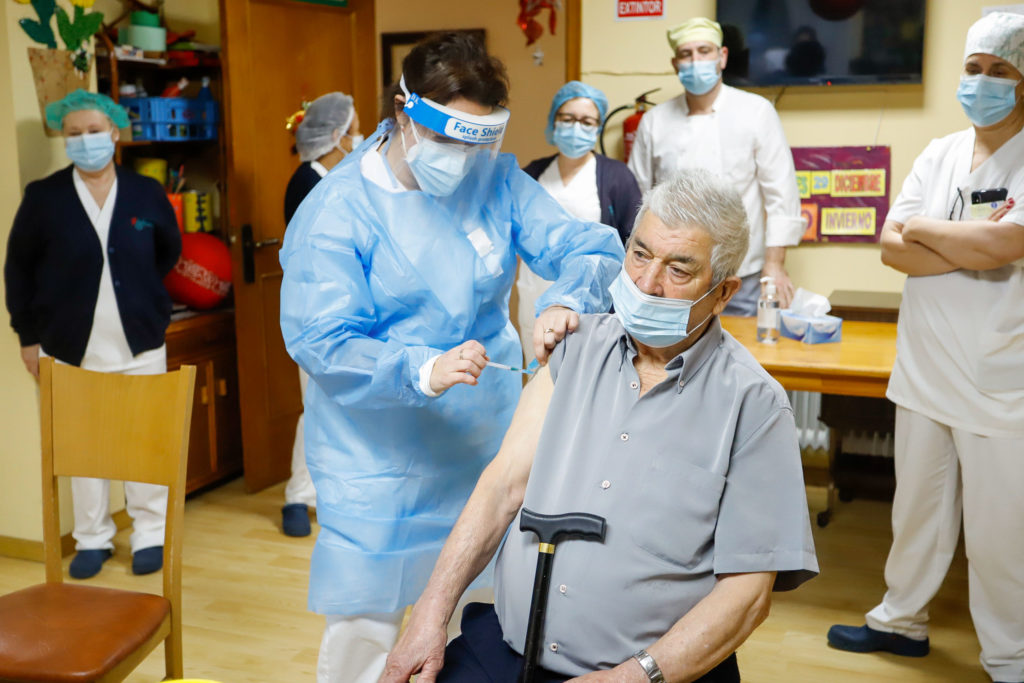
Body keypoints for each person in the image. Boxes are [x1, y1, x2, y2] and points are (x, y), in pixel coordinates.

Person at [278, 33, 624, 683]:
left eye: (477, 141)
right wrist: (418, 369)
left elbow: (590, 247)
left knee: (476, 630)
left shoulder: (494, 180)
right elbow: (321, 339)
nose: (462, 159)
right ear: (404, 112)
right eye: (449, 138)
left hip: (481, 447)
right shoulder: (337, 211)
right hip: (377, 463)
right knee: (367, 640)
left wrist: (567, 299)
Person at [381, 170, 818, 683]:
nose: (646, 283)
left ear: (722, 293)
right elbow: (501, 489)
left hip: (651, 675)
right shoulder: (573, 349)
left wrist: (632, 677)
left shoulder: (753, 404)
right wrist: (429, 614)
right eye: (639, 254)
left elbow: (747, 595)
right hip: (509, 649)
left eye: (678, 269)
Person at [827, 14, 1024, 683]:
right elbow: (891, 248)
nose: (982, 82)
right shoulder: (939, 152)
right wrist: (968, 244)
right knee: (916, 511)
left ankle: (1010, 658)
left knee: (1001, 535)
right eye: (973, 68)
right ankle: (900, 621)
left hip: (999, 378)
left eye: (999, 71)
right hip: (925, 367)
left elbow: (1007, 244)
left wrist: (926, 231)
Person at [4, 89, 182, 579]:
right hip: (68, 346)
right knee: (83, 446)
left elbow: (168, 250)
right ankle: (92, 537)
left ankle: (149, 533)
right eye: (74, 133)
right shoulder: (44, 197)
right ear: (64, 139)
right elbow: (18, 270)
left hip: (140, 341)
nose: (85, 140)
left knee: (145, 441)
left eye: (94, 131)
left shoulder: (146, 192)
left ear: (115, 133)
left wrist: (142, 296)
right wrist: (27, 338)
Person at [628, 17, 805, 314]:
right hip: (673, 277)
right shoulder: (654, 122)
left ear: (722, 57)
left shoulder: (756, 112)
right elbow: (639, 199)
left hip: (742, 275)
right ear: (675, 64)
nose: (695, 61)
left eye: (704, 51)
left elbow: (781, 194)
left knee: (740, 342)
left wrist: (775, 265)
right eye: (686, 54)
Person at [280, 91, 363, 538]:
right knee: (316, 406)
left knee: (336, 409)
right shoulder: (307, 183)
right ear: (335, 135)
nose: (359, 138)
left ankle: (325, 495)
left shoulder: (328, 178)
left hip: (339, 313)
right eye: (355, 130)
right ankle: (298, 497)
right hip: (316, 317)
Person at [516, 81, 641, 360]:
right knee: (538, 373)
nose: (576, 127)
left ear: (597, 128)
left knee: (584, 376)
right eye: (568, 118)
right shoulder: (533, 174)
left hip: (591, 307)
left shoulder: (617, 177)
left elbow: (634, 244)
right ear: (554, 121)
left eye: (586, 122)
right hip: (535, 298)